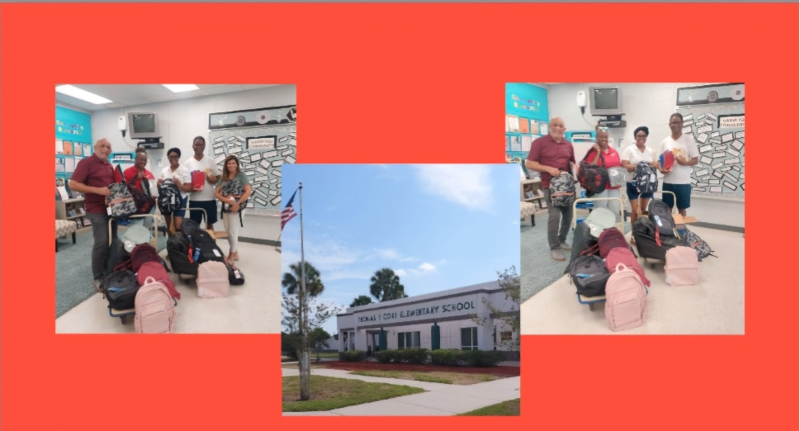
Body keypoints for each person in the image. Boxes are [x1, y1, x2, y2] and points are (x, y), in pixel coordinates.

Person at [525, 117, 576, 262]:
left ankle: (562, 239)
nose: (558, 128)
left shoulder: (568, 144)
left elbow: (572, 162)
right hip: (550, 185)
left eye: (561, 126)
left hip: (567, 185)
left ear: (564, 129)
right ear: (549, 127)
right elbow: (529, 163)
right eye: (555, 125)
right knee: (554, 216)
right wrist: (547, 168)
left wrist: (576, 171)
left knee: (568, 215)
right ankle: (554, 247)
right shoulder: (539, 143)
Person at [68, 138, 115, 292]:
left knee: (112, 241)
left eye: (108, 147)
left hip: (111, 209)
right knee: (101, 242)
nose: (106, 149)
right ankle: (98, 277)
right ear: (95, 147)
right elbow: (73, 184)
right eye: (102, 146)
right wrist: (98, 190)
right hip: (95, 210)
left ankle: (110, 270)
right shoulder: (86, 163)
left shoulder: (109, 165)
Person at [658, 113, 700, 217]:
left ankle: (681, 231)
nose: (674, 124)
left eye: (677, 122)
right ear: (669, 124)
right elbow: (658, 161)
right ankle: (669, 231)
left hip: (683, 182)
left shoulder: (688, 139)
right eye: (673, 122)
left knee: (682, 209)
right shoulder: (665, 142)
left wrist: (685, 163)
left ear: (682, 124)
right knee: (667, 209)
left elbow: (695, 160)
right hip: (668, 181)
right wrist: (660, 169)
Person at [621, 126, 659, 239]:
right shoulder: (629, 149)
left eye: (643, 136)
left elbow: (654, 165)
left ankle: (640, 233)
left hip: (647, 184)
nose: (641, 138)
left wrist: (654, 164)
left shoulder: (650, 151)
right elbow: (625, 166)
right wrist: (641, 166)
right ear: (635, 137)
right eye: (639, 136)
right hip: (632, 183)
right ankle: (633, 234)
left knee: (642, 210)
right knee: (635, 210)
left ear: (646, 137)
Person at [581, 127, 623, 222]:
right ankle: (599, 234)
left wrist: (619, 180)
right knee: (600, 211)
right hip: (600, 187)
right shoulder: (593, 151)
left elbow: (618, 165)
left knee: (615, 210)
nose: (604, 139)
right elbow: (590, 168)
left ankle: (613, 232)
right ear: (597, 137)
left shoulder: (614, 151)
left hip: (614, 186)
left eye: (606, 137)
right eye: (601, 137)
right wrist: (598, 152)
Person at [216, 155, 252, 262]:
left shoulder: (241, 176)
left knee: (233, 232)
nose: (231, 165)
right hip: (226, 207)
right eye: (229, 163)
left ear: (236, 164)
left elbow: (248, 191)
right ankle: (235, 252)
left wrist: (237, 203)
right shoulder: (223, 177)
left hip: (238, 207)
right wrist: (225, 200)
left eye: (233, 163)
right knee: (228, 231)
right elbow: (216, 193)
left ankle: (231, 253)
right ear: (226, 165)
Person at [183, 136, 219, 231]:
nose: (198, 146)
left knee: (209, 225)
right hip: (195, 200)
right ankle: (197, 245)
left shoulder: (210, 160)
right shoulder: (187, 163)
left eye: (201, 144)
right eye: (196, 144)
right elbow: (185, 183)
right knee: (195, 226)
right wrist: (191, 188)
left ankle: (211, 245)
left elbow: (217, 178)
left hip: (209, 199)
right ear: (193, 146)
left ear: (204, 146)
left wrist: (211, 178)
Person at [157, 147, 193, 236]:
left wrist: (179, 185)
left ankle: (180, 245)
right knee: (169, 226)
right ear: (168, 158)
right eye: (171, 157)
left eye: (175, 156)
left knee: (178, 226)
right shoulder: (164, 170)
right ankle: (172, 245)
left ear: (179, 157)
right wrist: (158, 185)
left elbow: (188, 188)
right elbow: (160, 188)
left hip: (180, 200)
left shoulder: (184, 170)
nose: (173, 159)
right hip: (166, 200)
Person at [117, 148, 156, 227]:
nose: (143, 162)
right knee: (137, 230)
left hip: (149, 207)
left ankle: (146, 239)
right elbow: (122, 189)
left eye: (145, 160)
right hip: (135, 207)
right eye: (141, 159)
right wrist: (135, 179)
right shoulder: (127, 172)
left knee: (147, 229)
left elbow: (153, 190)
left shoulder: (149, 174)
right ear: (135, 160)